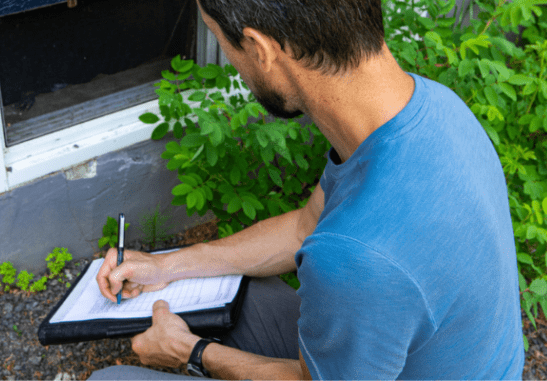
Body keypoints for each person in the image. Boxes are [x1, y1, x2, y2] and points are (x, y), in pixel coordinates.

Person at [91, 0, 524, 379]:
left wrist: (191, 352)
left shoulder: (355, 254)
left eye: (218, 39)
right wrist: (167, 266)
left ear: (260, 50)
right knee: (236, 287)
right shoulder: (431, 107)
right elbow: (304, 228)